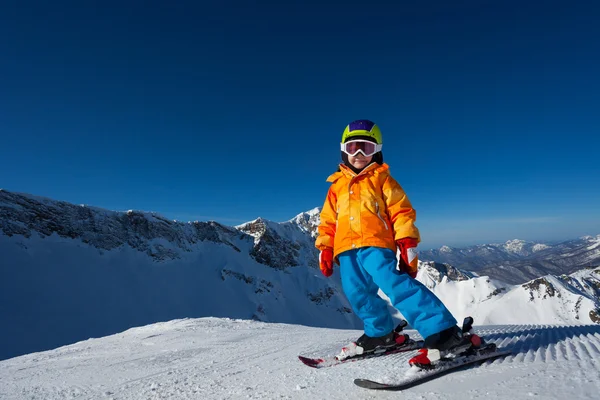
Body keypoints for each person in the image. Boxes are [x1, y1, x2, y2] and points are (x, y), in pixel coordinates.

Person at [315, 119, 478, 367]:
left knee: (396, 285)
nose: (359, 154)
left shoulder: (382, 180)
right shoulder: (336, 187)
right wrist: (325, 247)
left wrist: (407, 241)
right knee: (356, 293)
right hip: (346, 250)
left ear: (377, 151)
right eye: (353, 148)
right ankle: (380, 333)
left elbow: (401, 212)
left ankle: (443, 333)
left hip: (376, 243)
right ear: (343, 150)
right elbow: (328, 220)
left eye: (366, 148)